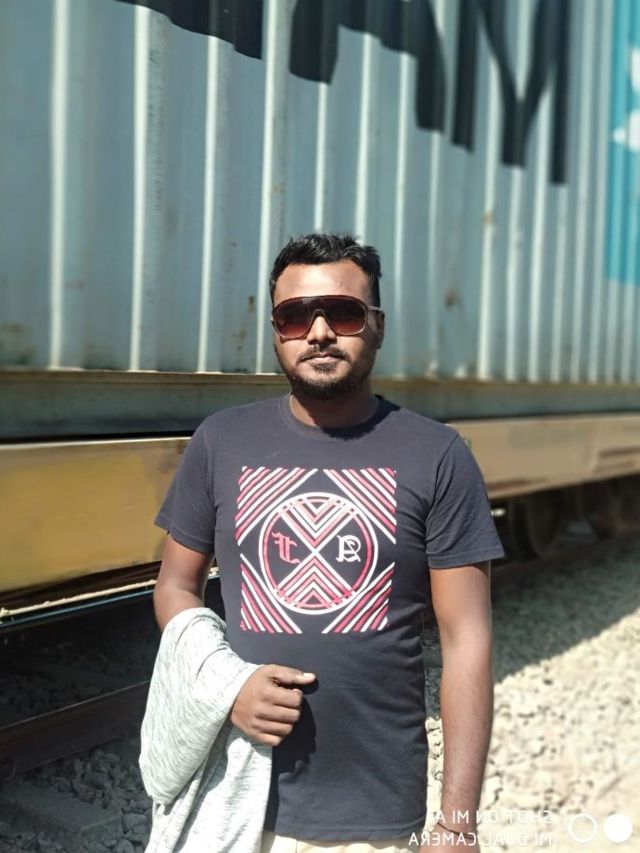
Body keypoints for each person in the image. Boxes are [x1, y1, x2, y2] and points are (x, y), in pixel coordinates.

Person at [153, 233, 505, 853]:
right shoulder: (220, 441)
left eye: (343, 313)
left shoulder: (438, 454)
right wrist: (227, 686)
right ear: (275, 331)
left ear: (378, 326)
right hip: (231, 796)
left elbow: (467, 640)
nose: (318, 333)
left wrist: (457, 821)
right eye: (295, 317)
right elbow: (177, 588)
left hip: (373, 812)